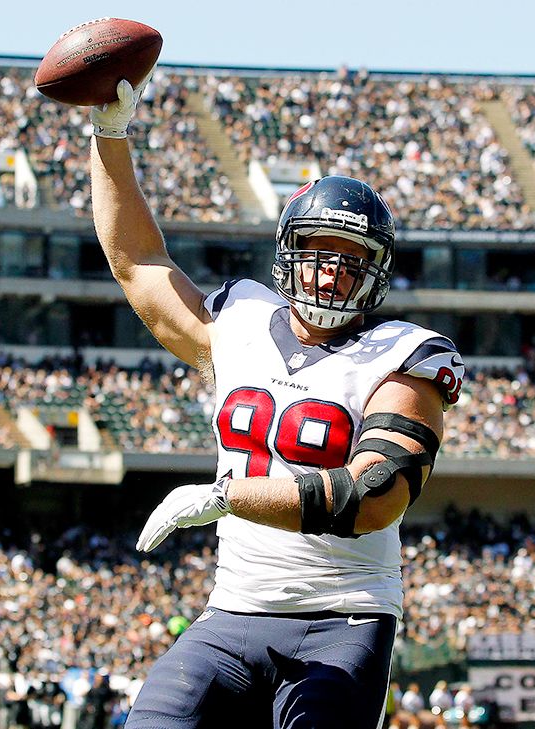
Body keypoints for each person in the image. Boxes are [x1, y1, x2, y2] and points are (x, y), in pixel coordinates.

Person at [86, 75, 464, 728]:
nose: (333, 271)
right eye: (320, 251)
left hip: (341, 617)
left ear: (378, 271)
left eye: (353, 258)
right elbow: (137, 261)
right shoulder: (240, 318)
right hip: (233, 608)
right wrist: (110, 135)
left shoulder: (407, 355)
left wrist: (233, 495)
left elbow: (374, 494)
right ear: (288, 252)